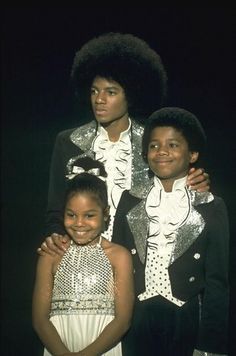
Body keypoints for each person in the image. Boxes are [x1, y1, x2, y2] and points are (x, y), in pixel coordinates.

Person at [38, 32, 210, 255]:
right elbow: (55, 210)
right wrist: (54, 236)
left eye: (110, 92)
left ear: (131, 95)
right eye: (94, 91)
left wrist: (195, 184)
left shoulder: (152, 144)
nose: (99, 99)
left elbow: (174, 195)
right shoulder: (68, 142)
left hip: (140, 259)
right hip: (80, 253)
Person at [112, 107, 229, 356]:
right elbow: (116, 265)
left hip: (187, 318)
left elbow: (218, 280)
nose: (162, 152)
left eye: (173, 145)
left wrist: (210, 343)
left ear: (193, 154)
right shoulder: (129, 201)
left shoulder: (211, 206)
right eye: (154, 146)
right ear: (145, 154)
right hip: (135, 319)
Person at [32, 157, 134, 356]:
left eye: (89, 215)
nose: (79, 223)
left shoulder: (119, 256)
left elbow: (123, 320)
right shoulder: (52, 255)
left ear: (105, 214)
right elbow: (39, 320)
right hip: (58, 346)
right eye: (71, 215)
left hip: (103, 346)